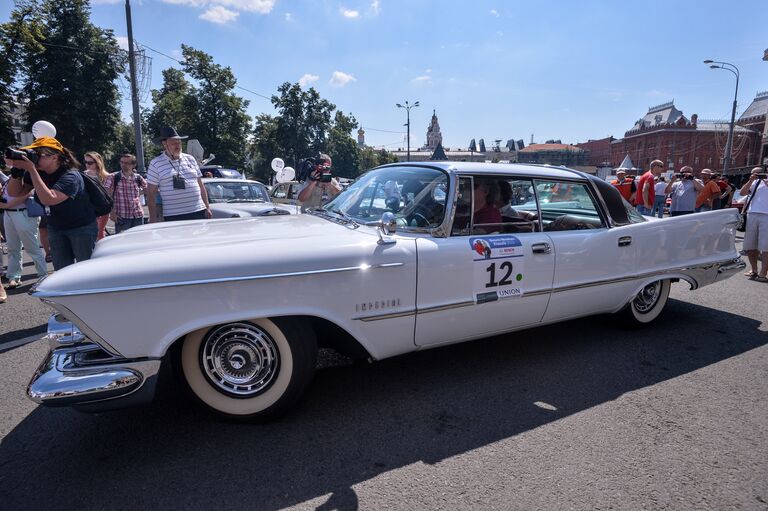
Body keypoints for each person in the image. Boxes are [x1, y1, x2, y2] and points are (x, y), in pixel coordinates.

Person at [4, 136, 97, 270]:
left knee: (86, 268)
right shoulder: (38, 172)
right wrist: (16, 170)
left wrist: (31, 169)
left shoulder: (71, 176)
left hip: (81, 227)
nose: (34, 158)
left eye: (38, 155)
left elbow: (49, 199)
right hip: (56, 226)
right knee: (62, 270)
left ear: (54, 157)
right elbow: (15, 193)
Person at [146, 127, 211, 223]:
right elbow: (151, 193)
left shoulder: (190, 159)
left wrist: (207, 207)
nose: (178, 146)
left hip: (198, 211)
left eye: (179, 143)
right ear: (165, 144)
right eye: (174, 143)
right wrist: (152, 217)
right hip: (173, 215)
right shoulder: (156, 163)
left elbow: (201, 186)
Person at [0, 173, 47, 288]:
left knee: (31, 246)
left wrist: (6, 205)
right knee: (12, 247)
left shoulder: (28, 175)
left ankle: (43, 274)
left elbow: (28, 193)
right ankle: (14, 276)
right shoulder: (11, 178)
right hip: (9, 214)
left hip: (23, 213)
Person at [104, 153, 147, 233]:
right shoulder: (113, 177)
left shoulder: (138, 177)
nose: (124, 165)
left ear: (133, 165)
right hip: (122, 216)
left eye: (127, 163)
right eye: (122, 162)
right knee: (122, 242)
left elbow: (148, 189)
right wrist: (112, 213)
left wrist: (139, 193)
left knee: (139, 240)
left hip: (137, 215)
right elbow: (106, 195)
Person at [739, 167, 768, 282]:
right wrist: (750, 180)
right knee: (750, 245)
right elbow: (742, 193)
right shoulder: (755, 181)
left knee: (765, 247)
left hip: (766, 215)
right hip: (752, 214)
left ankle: (763, 272)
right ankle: (754, 270)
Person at [83, 151, 109, 239]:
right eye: (86, 162)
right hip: (89, 208)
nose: (87, 165)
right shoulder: (83, 175)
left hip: (102, 208)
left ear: (98, 163)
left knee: (100, 231)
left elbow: (109, 195)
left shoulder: (106, 176)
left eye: (90, 163)